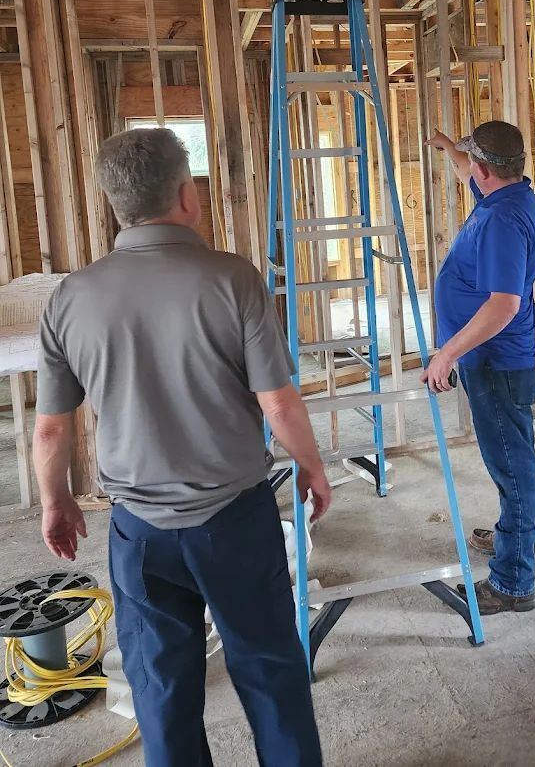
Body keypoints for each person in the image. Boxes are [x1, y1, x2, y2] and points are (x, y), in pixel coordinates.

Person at [33, 128, 329, 767]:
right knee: (269, 668)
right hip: (235, 520)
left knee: (161, 688)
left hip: (139, 532)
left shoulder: (71, 297)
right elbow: (278, 404)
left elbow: (52, 429)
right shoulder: (234, 279)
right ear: (186, 195)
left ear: (116, 203)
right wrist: (311, 465)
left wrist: (55, 501)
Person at [422, 121, 535, 616]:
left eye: (471, 162)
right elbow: (466, 169)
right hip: (496, 361)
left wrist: (447, 353)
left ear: (485, 170)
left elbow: (503, 305)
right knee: (512, 461)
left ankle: (513, 582)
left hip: (495, 362)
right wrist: (448, 147)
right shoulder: (509, 193)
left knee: (512, 468)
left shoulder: (501, 221)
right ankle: (520, 538)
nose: (467, 168)